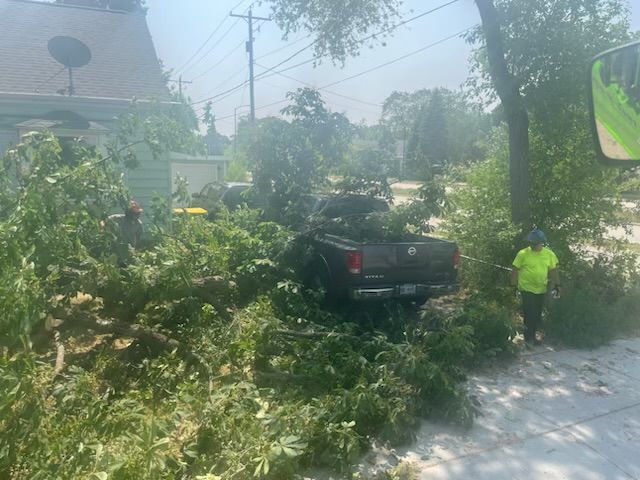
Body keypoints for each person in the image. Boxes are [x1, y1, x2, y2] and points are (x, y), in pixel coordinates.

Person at [511, 228, 560, 346]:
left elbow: (553, 270)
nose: (532, 245)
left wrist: (558, 285)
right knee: (529, 313)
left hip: (541, 288)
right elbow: (515, 269)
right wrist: (513, 286)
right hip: (526, 288)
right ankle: (528, 339)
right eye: (531, 242)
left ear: (541, 242)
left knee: (537, 314)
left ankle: (531, 336)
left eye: (534, 243)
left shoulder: (549, 254)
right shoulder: (523, 254)